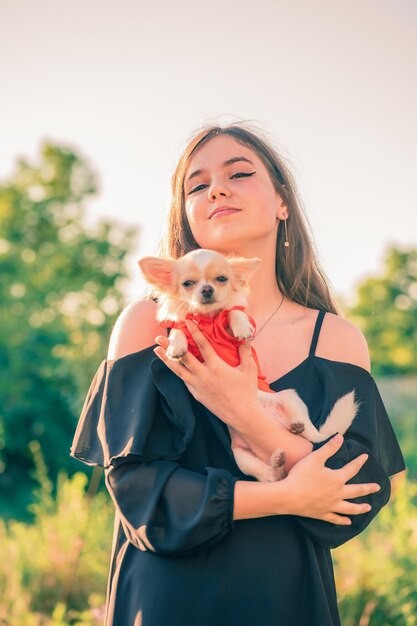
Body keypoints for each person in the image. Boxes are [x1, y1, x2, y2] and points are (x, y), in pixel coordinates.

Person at [71, 123, 405, 626]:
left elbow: (357, 499)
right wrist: (286, 496)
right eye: (197, 184)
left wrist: (246, 411)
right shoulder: (148, 324)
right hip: (166, 600)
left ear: (282, 203)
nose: (216, 189)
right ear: (187, 215)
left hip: (288, 600)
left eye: (239, 173)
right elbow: (140, 494)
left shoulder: (335, 339)